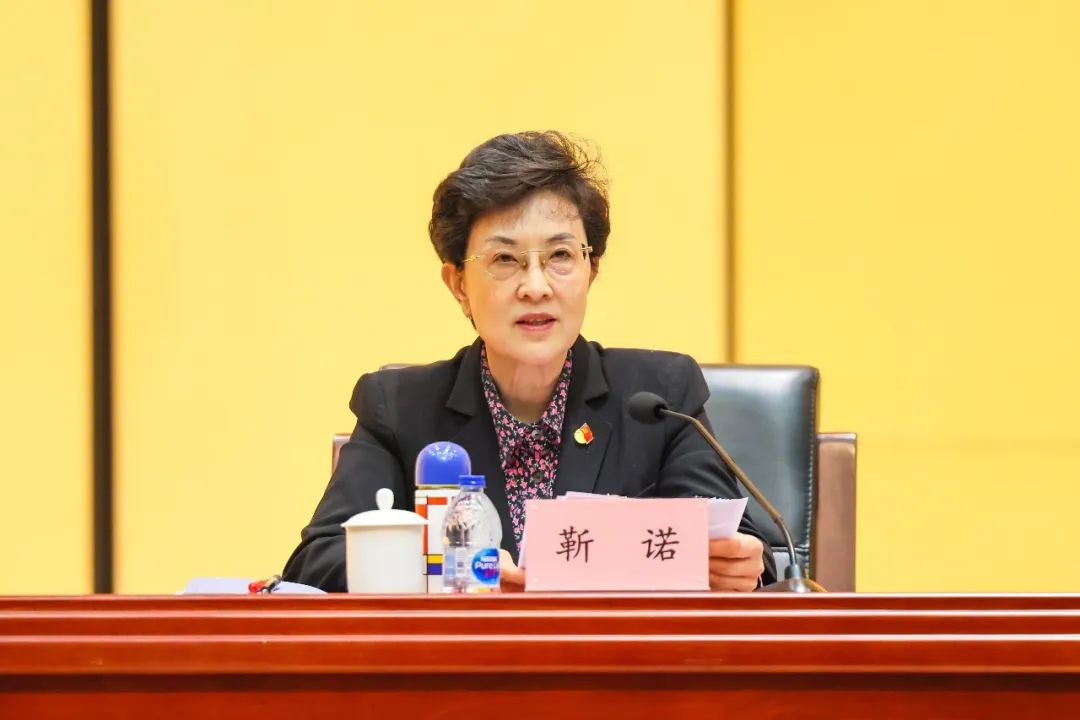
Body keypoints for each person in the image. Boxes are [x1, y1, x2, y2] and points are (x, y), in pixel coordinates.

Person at [283, 131, 776, 592]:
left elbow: (751, 555)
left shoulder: (661, 396)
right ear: (458, 285)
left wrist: (738, 565)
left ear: (590, 269)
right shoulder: (399, 409)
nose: (536, 287)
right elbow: (317, 562)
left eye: (560, 255)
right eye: (504, 260)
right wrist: (456, 566)